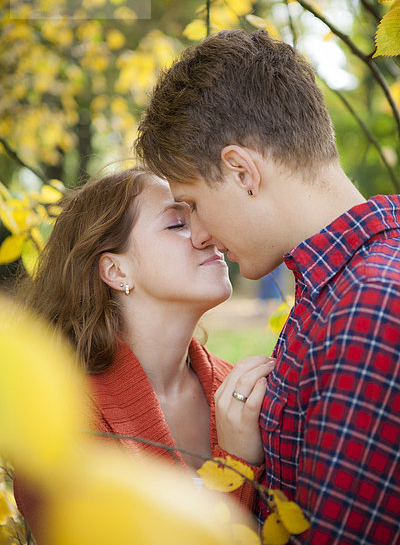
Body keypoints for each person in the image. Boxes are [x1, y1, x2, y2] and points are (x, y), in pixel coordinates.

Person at [134, 29, 400, 544]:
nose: (200, 235)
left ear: (241, 171)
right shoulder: (337, 291)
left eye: (191, 204)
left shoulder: (367, 308)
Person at [13, 166, 276, 540]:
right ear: (116, 271)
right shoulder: (59, 420)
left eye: (200, 216)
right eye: (176, 224)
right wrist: (236, 467)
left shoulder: (245, 392)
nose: (207, 235)